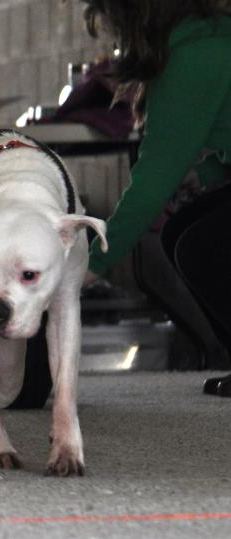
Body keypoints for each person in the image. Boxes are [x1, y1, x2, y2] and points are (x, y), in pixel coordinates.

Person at [81, 0, 231, 394]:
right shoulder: (206, 38)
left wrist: (90, 264)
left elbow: (152, 181)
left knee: (200, 245)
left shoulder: (197, 53)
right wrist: (207, 173)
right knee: (181, 230)